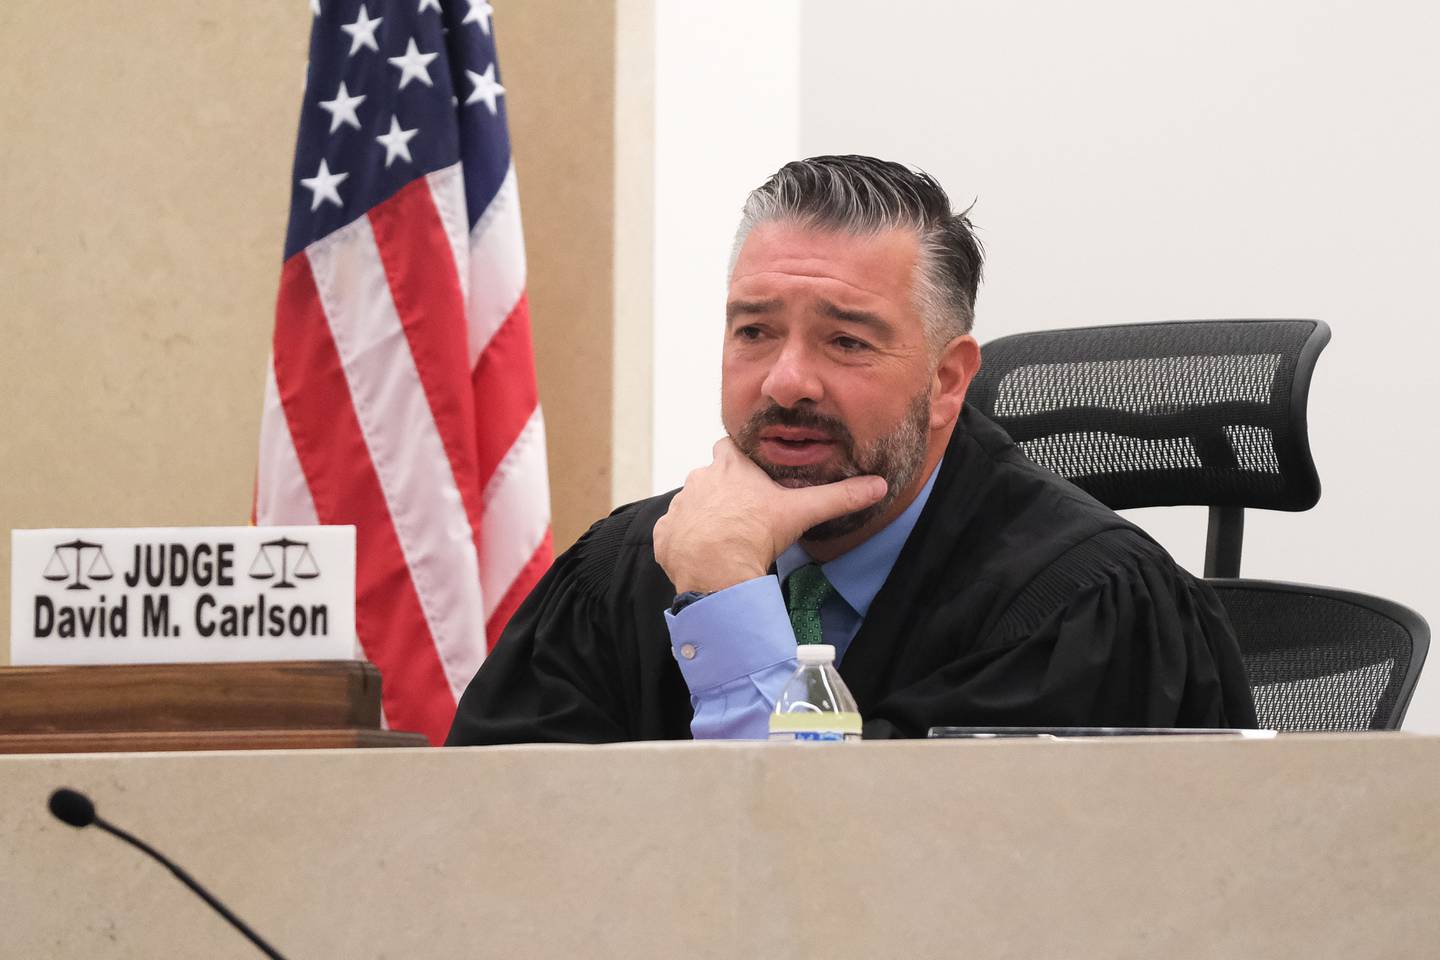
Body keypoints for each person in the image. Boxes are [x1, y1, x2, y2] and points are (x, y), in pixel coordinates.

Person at [446, 155, 1257, 745]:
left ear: (946, 380)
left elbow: (851, 894)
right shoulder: (628, 569)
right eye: (755, 332)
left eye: (845, 341)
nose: (787, 382)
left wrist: (731, 607)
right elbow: (489, 849)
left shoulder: (1083, 609)